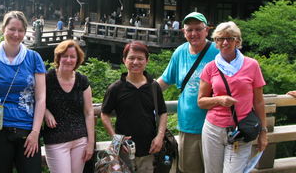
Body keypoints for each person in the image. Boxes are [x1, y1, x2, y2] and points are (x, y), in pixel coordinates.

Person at [0, 11, 46, 173]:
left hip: (27, 129)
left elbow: (41, 97)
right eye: (12, 29)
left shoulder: (34, 58)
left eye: (21, 30)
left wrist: (35, 132)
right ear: (3, 29)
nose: (16, 34)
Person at [198, 21, 267, 172]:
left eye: (229, 38)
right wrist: (219, 100)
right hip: (213, 130)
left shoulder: (252, 65)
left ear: (237, 40)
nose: (224, 42)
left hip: (241, 129)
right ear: (216, 41)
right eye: (220, 39)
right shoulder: (210, 67)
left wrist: (263, 133)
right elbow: (201, 102)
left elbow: (259, 102)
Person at [157, 12, 219, 173]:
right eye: (189, 29)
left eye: (198, 29)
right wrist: (141, 95)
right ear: (184, 32)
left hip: (216, 125)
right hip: (189, 124)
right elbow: (164, 81)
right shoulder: (180, 52)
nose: (194, 33)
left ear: (207, 31)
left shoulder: (219, 52)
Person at [102, 41, 167, 172]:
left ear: (147, 61)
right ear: (124, 60)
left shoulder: (154, 87)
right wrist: (115, 139)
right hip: (124, 151)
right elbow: (104, 114)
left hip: (148, 150)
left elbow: (162, 112)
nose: (136, 62)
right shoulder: (115, 88)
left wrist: (160, 136)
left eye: (140, 58)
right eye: (131, 58)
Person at [43, 40, 94, 173]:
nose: (68, 60)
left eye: (73, 56)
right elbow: (34, 100)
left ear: (77, 59)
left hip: (80, 139)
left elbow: (89, 113)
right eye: (65, 56)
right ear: (58, 57)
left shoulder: (82, 80)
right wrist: (46, 112)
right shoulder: (47, 78)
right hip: (56, 139)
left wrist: (91, 143)